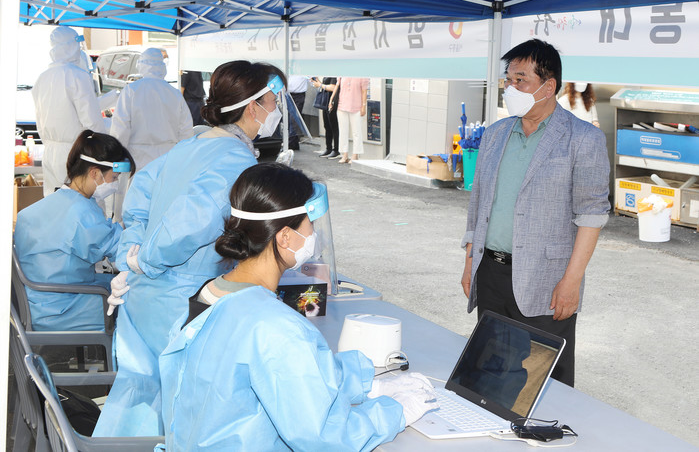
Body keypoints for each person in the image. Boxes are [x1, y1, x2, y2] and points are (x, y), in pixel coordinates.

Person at [159, 163, 436, 450]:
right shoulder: (276, 326)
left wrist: (366, 383)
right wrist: (394, 412)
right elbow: (324, 438)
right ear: (285, 237)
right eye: (310, 225)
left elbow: (292, 372)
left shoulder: (210, 293)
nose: (314, 235)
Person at [93, 60, 281, 437]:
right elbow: (191, 223)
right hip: (180, 303)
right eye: (274, 102)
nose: (277, 110)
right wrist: (146, 259)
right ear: (253, 107)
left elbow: (140, 195)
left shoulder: (194, 143)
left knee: (138, 402)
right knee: (179, 412)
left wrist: (131, 255)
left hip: (146, 298)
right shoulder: (234, 159)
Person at [459, 39, 610, 388]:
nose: (511, 89)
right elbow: (478, 205)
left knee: (542, 384)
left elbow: (591, 216)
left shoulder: (582, 139)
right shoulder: (496, 134)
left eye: (521, 80)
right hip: (491, 275)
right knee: (491, 377)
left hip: (547, 282)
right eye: (508, 80)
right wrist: (470, 262)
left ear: (549, 85)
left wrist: (571, 282)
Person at [14, 130, 135, 331]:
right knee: (136, 300)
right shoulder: (83, 213)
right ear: (94, 173)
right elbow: (124, 250)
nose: (115, 186)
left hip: (32, 304)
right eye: (114, 177)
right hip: (62, 310)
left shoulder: (37, 208)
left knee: (112, 283)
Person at [109, 48, 194, 222]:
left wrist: (116, 158)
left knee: (133, 209)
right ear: (162, 67)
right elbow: (186, 132)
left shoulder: (131, 90)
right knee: (161, 209)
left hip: (136, 159)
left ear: (141, 65)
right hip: (167, 160)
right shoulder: (174, 94)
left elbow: (120, 129)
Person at [33, 26, 106, 197]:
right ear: (71, 46)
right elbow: (92, 121)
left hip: (50, 151)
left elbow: (40, 120)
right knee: (81, 201)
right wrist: (102, 149)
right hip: (75, 152)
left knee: (53, 200)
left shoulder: (42, 78)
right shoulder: (77, 76)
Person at [329, 77, 369, 163]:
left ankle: (355, 155)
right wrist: (331, 99)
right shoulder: (343, 72)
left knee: (356, 132)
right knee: (343, 131)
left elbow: (364, 91)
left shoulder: (362, 75)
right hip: (341, 106)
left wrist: (364, 106)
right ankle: (344, 154)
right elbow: (337, 86)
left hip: (357, 107)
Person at [311, 76, 341, 159]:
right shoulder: (328, 74)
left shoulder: (334, 75)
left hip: (333, 101)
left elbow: (333, 88)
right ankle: (328, 148)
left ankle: (336, 149)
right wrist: (318, 82)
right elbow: (326, 86)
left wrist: (320, 85)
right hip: (326, 101)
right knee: (327, 126)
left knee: (333, 126)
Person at [287, 75, 309, 150]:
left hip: (299, 95)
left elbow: (312, 79)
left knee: (294, 118)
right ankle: (294, 143)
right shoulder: (289, 69)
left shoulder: (304, 70)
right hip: (288, 94)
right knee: (289, 119)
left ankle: (291, 143)